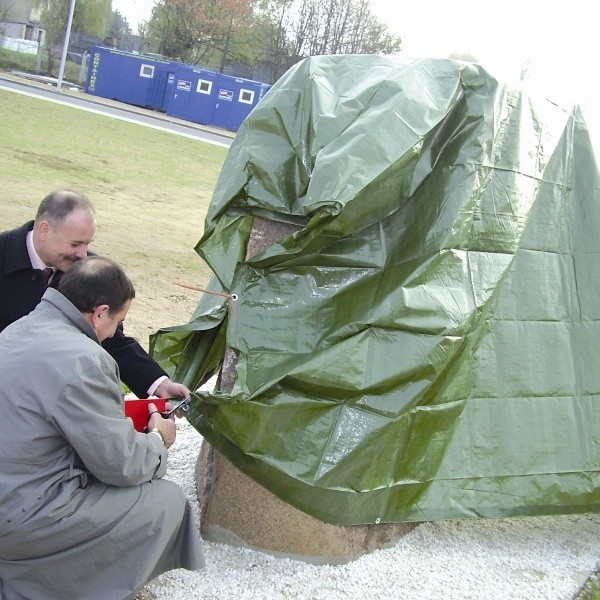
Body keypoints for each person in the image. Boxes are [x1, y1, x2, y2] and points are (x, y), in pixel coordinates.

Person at [0, 256, 204, 599]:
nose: (113, 333)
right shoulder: (87, 358)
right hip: (21, 518)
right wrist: (157, 441)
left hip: (12, 494)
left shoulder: (17, 329)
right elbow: (119, 466)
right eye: (118, 322)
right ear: (99, 313)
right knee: (166, 500)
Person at [0, 189, 189, 400]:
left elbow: (110, 337)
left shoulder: (89, 271)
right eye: (75, 244)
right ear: (44, 230)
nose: (82, 254)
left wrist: (159, 384)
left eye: (87, 243)